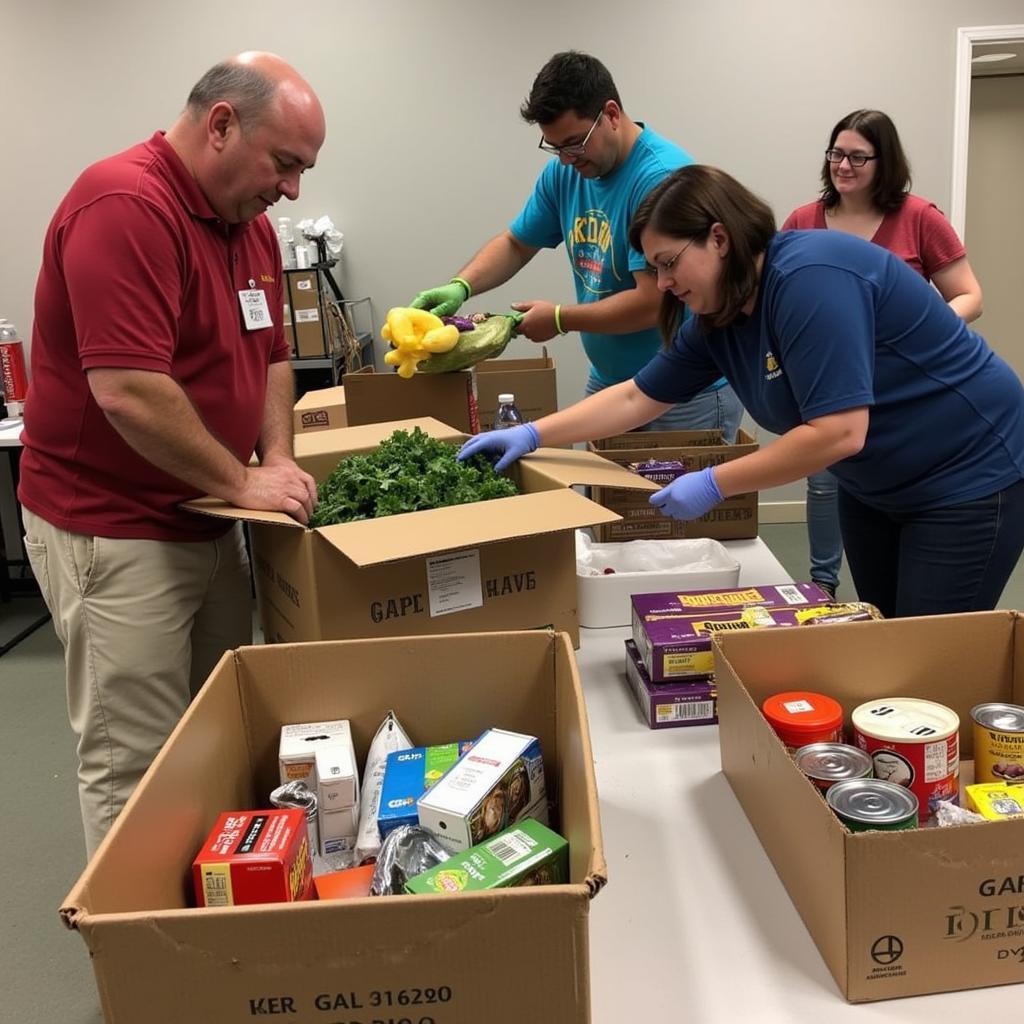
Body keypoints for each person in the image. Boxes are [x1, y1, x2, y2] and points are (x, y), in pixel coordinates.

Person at [459, 165, 1024, 620]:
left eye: (668, 264)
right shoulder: (720, 317)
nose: (663, 285)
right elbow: (637, 397)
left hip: (968, 474)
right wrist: (533, 433)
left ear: (720, 239)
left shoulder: (809, 281)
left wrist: (713, 481)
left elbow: (840, 432)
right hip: (878, 484)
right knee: (890, 636)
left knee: (929, 651)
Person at [18, 52, 325, 858]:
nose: (293, 190)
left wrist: (277, 462)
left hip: (207, 518)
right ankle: (143, 965)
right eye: (285, 163)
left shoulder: (249, 226)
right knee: (136, 763)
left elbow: (273, 358)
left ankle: (211, 904)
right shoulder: (123, 203)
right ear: (221, 124)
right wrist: (242, 480)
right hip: (114, 529)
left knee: (216, 731)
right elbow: (127, 389)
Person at [409, 50, 742, 438]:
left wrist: (558, 319)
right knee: (599, 500)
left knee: (672, 500)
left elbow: (654, 301)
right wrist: (460, 286)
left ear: (612, 114)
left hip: (685, 393)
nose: (566, 159)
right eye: (554, 147)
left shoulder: (661, 179)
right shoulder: (566, 174)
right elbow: (517, 243)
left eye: (574, 143)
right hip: (611, 383)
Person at [783, 109, 984, 598]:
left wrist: (922, 334)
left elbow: (969, 295)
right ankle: (822, 588)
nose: (843, 166)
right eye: (836, 154)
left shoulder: (919, 218)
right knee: (826, 482)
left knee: (894, 488)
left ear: (884, 161)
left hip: (902, 391)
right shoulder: (802, 222)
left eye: (858, 157)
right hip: (830, 381)